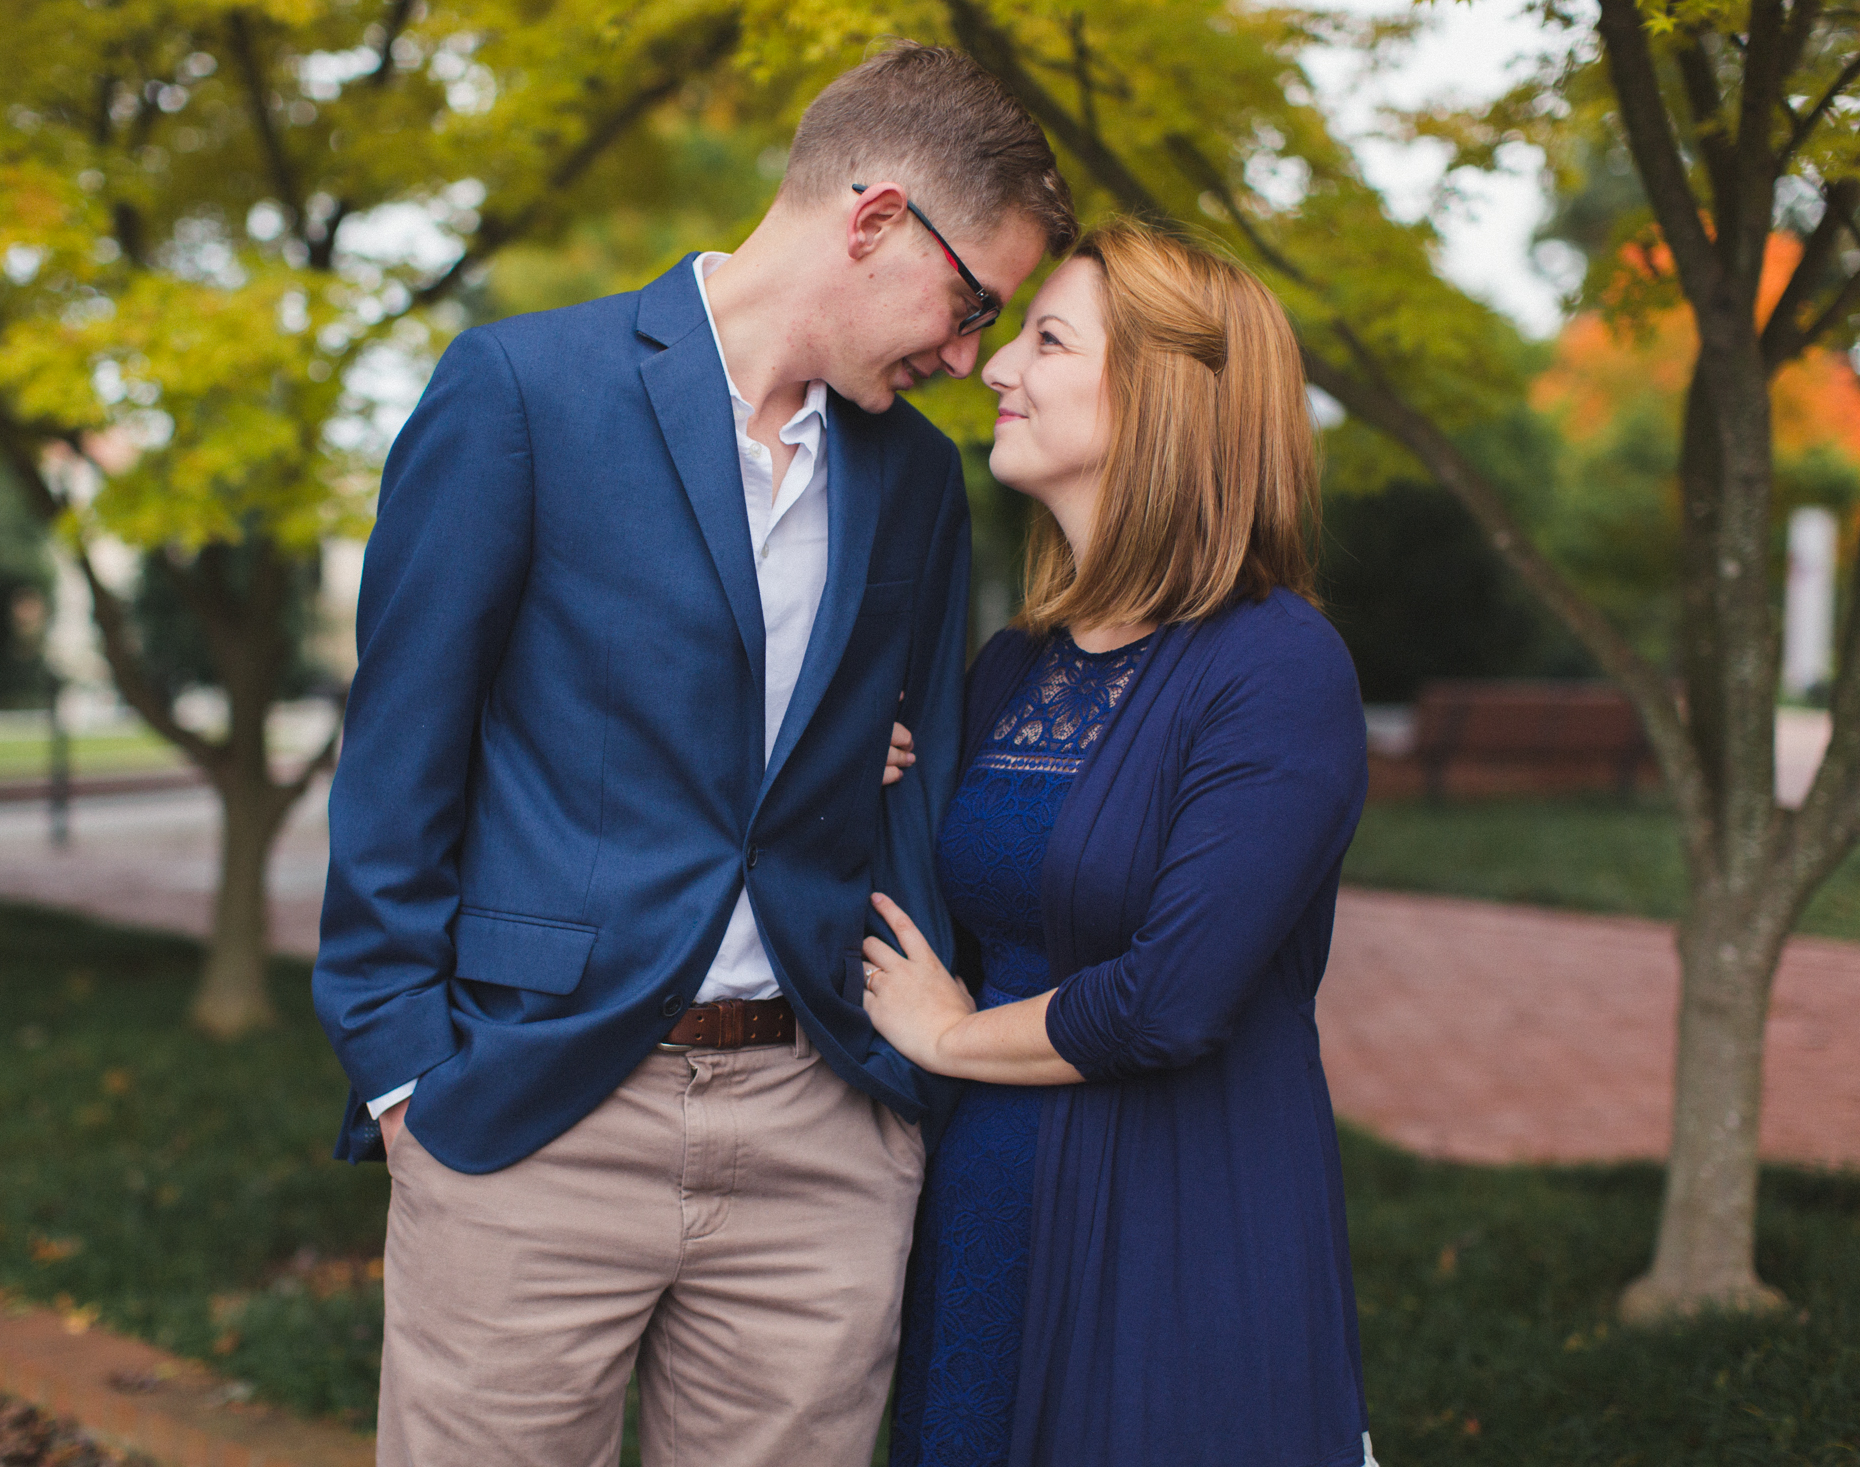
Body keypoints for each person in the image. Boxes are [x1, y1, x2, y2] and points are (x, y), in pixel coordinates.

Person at [311, 42, 1076, 1467]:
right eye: (972, 301)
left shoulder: (913, 475)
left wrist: (899, 1098)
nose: (969, 355)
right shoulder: (522, 391)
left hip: (818, 1127)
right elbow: (399, 751)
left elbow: (907, 765)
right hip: (535, 1113)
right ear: (873, 220)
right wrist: (405, 1069)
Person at [862, 219, 1378, 1467]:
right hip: (986, 1208)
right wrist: (855, 768)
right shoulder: (1011, 670)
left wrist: (945, 1033)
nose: (994, 367)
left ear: (1162, 395)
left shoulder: (1275, 666)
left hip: (1177, 1222)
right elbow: (946, 899)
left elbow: (1167, 1000)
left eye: (1047, 337)